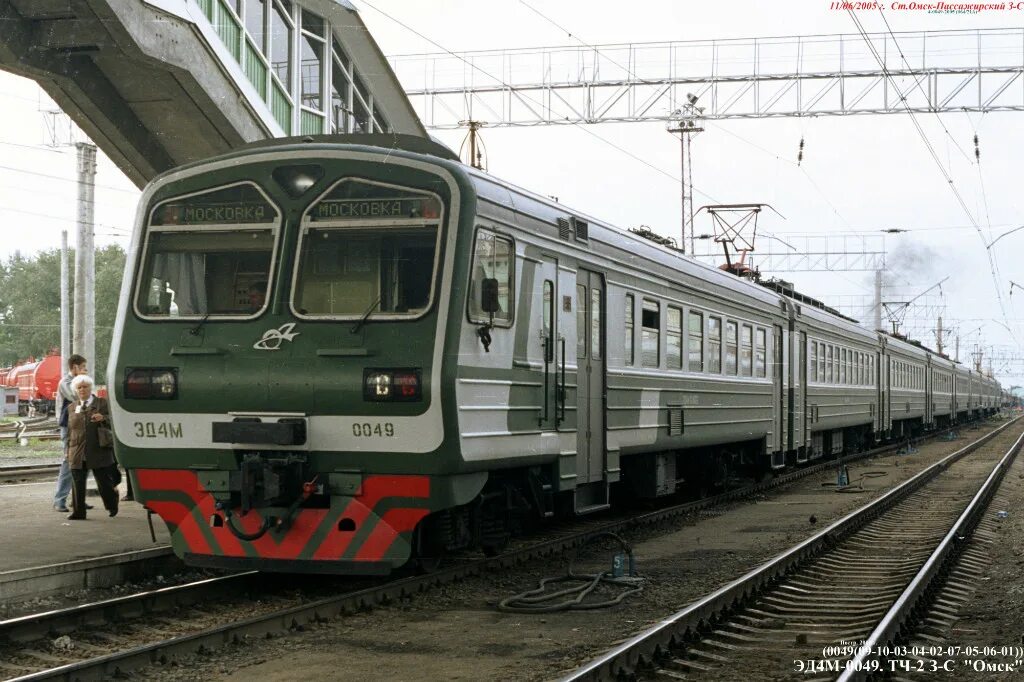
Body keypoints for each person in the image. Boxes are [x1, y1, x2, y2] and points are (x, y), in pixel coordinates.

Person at [66, 374, 120, 520]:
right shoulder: (71, 407)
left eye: (85, 386)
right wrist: (67, 451)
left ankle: (112, 504)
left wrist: (104, 418)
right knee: (77, 482)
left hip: (98, 449)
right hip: (77, 450)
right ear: (75, 390)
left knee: (103, 482)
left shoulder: (102, 403)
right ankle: (79, 512)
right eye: (79, 387)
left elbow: (116, 421)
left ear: (91, 388)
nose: (82, 389)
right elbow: (70, 431)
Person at [53, 354, 88, 512]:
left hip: (81, 425)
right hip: (68, 426)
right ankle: (59, 500)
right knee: (69, 461)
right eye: (82, 367)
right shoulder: (65, 382)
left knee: (82, 462)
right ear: (74, 367)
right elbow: (75, 395)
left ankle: (77, 499)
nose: (85, 370)